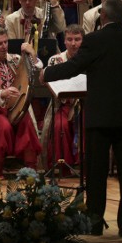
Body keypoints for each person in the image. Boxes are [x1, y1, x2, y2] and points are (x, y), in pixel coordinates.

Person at [41, 0, 122, 236]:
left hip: (100, 117)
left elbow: (73, 67)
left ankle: (94, 225)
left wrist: (47, 73)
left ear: (103, 16)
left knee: (97, 174)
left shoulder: (94, 40)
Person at [0, 27, 42, 177]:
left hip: (18, 107)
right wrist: (2, 93)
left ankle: (31, 170)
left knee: (27, 122)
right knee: (3, 126)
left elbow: (37, 73)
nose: (4, 46)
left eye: (6, 42)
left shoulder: (17, 59)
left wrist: (32, 55)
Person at [40, 24, 84, 177]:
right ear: (64, 41)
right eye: (70, 39)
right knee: (60, 125)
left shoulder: (89, 59)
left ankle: (85, 164)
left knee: (87, 123)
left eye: (77, 39)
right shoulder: (55, 60)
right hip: (61, 105)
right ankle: (64, 166)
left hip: (84, 105)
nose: (73, 43)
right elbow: (48, 83)